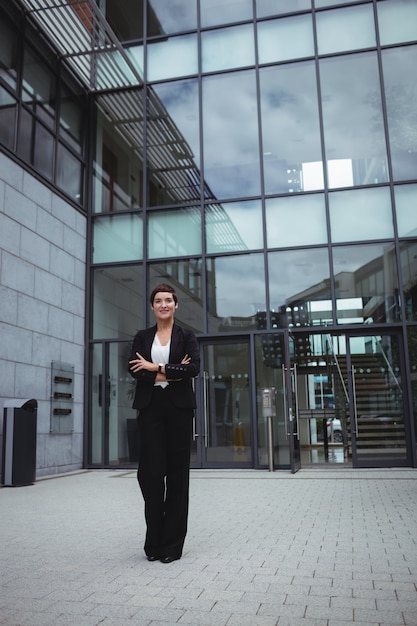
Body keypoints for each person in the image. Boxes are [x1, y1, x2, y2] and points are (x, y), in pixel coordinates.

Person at [128, 283, 200, 563]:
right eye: (158, 300)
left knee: (178, 478)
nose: (164, 305)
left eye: (168, 300)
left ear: (176, 305)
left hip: (179, 410)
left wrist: (154, 367)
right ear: (152, 306)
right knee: (150, 475)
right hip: (150, 410)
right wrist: (172, 373)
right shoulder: (142, 336)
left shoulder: (187, 336)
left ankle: (171, 546)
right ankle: (153, 542)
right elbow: (134, 370)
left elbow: (193, 368)